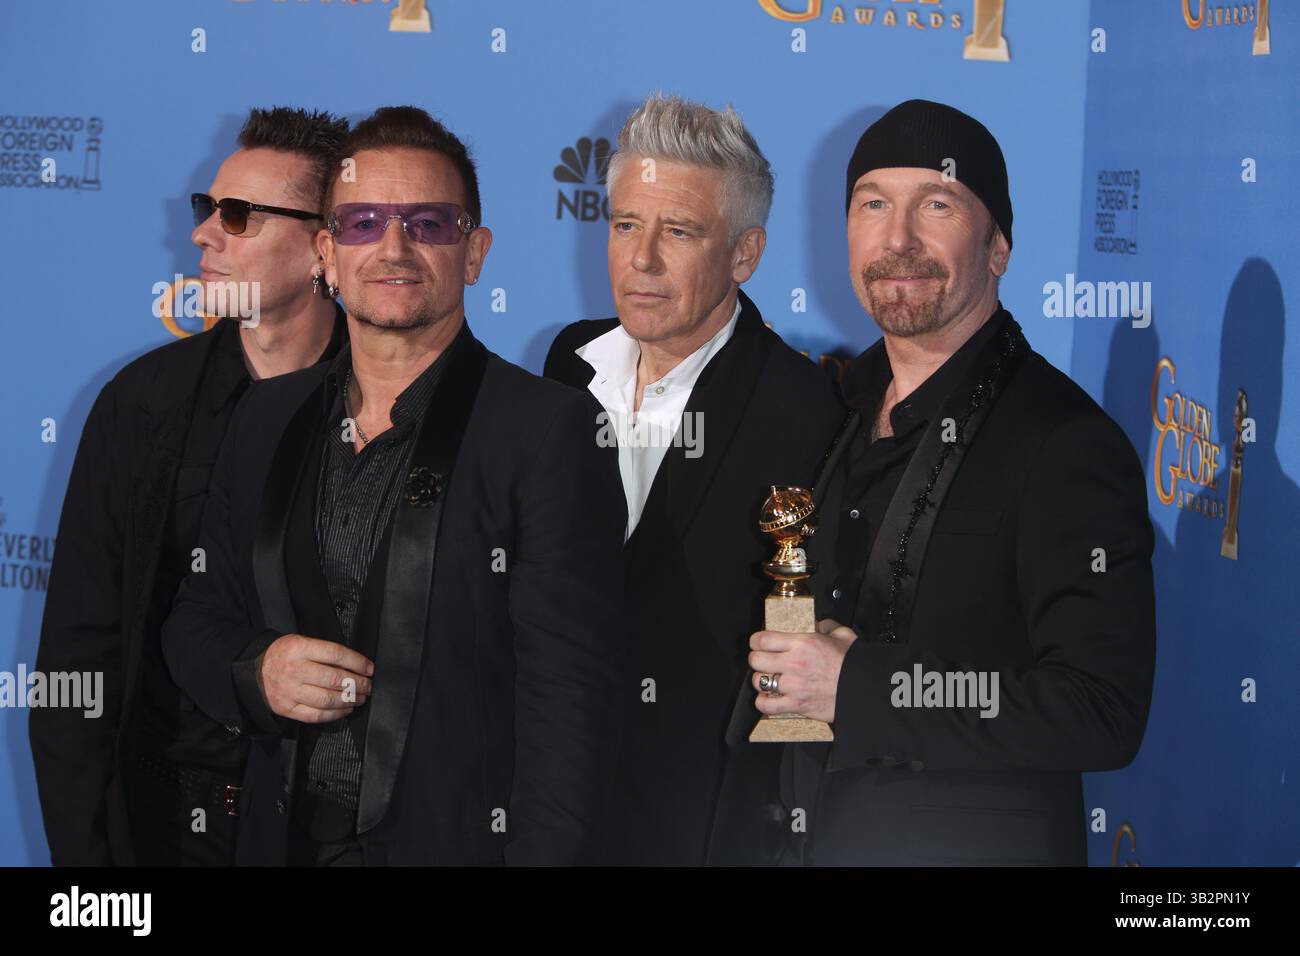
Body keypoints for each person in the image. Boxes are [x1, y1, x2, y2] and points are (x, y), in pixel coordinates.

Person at [162, 106, 627, 865]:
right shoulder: (263, 419)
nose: (394, 247)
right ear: (326, 253)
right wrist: (257, 671)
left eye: (429, 223)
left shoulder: (548, 431)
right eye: (362, 222)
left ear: (473, 252)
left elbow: (571, 708)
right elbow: (195, 622)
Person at [724, 99, 1156, 865]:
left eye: (937, 204)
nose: (899, 239)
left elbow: (1100, 710)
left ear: (998, 247)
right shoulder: (832, 411)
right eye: (873, 205)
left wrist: (862, 688)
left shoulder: (1064, 442)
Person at [30, 106, 349, 866]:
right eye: (208, 209)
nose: (203, 234)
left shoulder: (397, 405)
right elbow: (79, 654)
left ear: (322, 249)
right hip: (163, 825)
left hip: (334, 824)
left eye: (238, 216)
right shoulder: (140, 406)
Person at [544, 94, 843, 865]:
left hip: (701, 828)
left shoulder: (808, 413)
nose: (640, 261)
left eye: (677, 232)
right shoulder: (566, 367)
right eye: (623, 226)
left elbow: (797, 660)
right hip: (549, 811)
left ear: (744, 255)